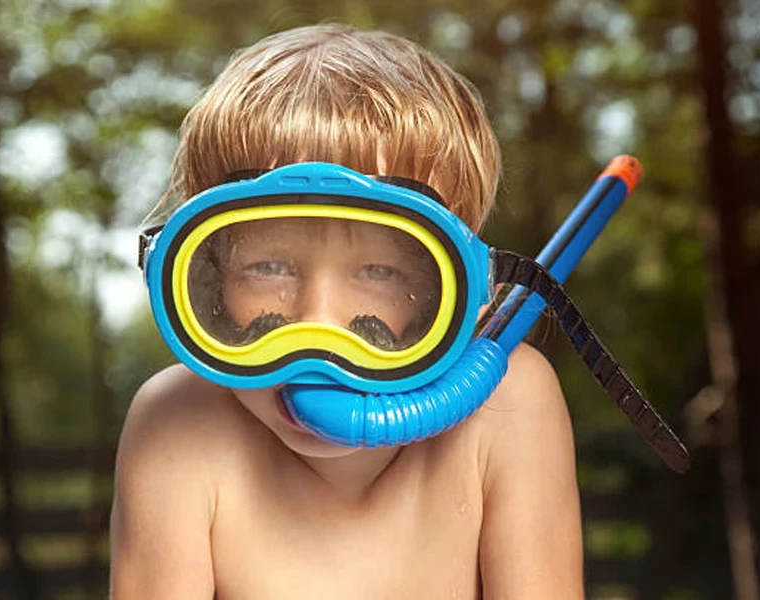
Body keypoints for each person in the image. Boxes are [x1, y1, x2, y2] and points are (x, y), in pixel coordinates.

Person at [110, 24, 583, 599]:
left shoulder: (507, 404)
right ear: (207, 273)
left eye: (380, 272)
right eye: (269, 268)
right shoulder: (176, 424)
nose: (320, 328)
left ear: (463, 288)